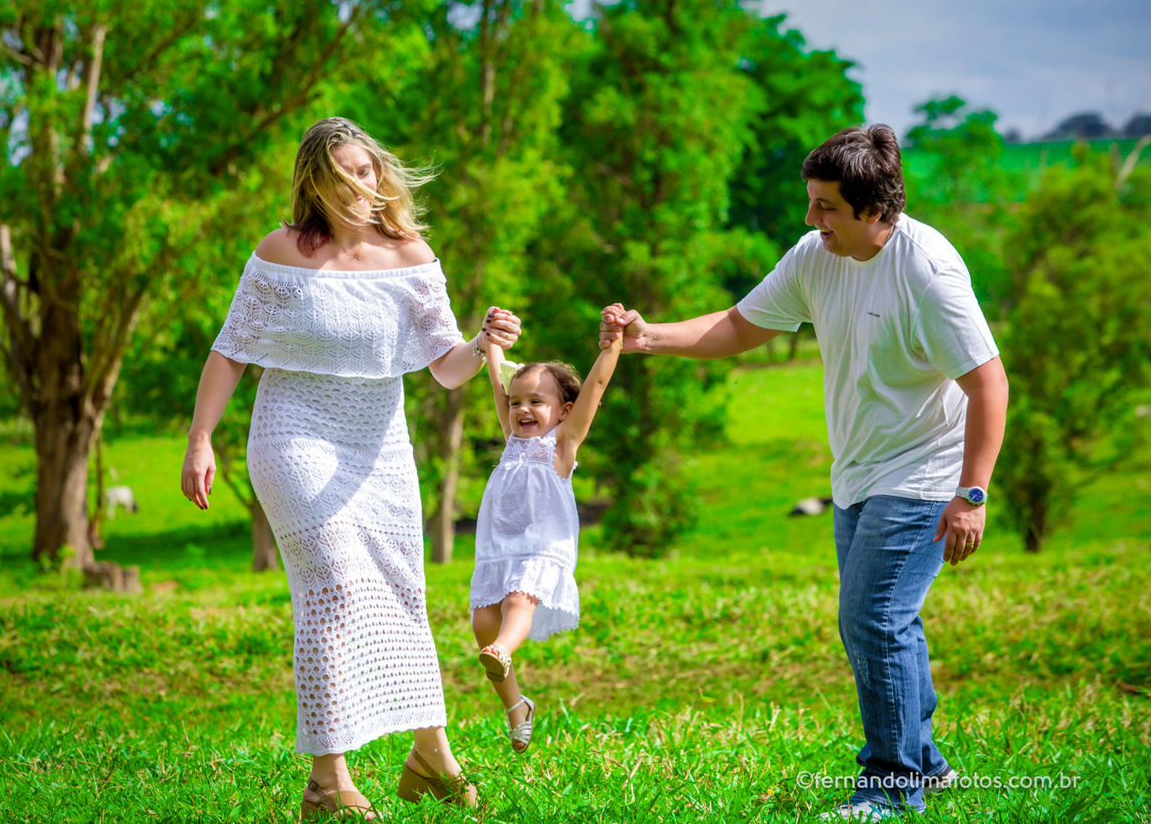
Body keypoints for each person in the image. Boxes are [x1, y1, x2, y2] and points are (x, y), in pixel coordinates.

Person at [599, 125, 1009, 821]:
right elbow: (742, 324)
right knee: (876, 624)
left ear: (875, 210)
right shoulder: (817, 255)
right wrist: (650, 337)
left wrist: (971, 493)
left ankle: (891, 783)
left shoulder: (928, 272)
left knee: (875, 617)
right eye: (811, 202)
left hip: (923, 470)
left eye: (826, 207)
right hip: (856, 469)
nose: (811, 218)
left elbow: (989, 382)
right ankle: (926, 765)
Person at [180, 117, 522, 820]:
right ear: (315, 184)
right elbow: (232, 348)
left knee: (401, 592)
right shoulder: (282, 251)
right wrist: (200, 437)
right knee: (335, 584)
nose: (359, 185)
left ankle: (431, 754)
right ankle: (328, 782)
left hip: (381, 444)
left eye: (366, 171)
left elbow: (446, 368)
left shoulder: (410, 254)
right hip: (293, 434)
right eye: (341, 175)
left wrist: (481, 340)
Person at [468, 324, 623, 753]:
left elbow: (596, 386)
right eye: (517, 402)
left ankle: (502, 649)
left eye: (537, 401)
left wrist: (611, 347)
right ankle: (516, 705)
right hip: (498, 549)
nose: (521, 409)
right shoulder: (512, 441)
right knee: (482, 621)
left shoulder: (561, 444)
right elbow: (497, 385)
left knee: (519, 601)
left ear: (563, 410)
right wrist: (492, 345)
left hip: (542, 547)